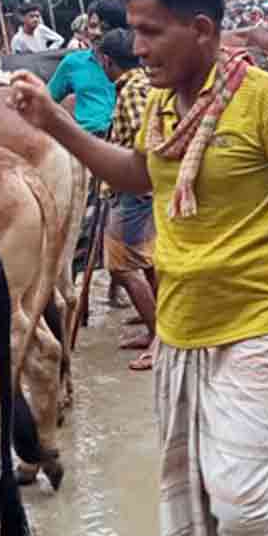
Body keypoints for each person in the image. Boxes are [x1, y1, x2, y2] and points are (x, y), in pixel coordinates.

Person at [6, 0, 268, 536]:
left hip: (258, 322)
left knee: (242, 505)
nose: (136, 48)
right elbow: (138, 173)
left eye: (149, 32)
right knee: (192, 500)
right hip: (180, 325)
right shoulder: (165, 103)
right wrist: (52, 122)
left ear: (201, 30)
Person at [96, 28, 159, 371]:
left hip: (135, 191)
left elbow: (142, 142)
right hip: (143, 190)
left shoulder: (133, 90)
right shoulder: (141, 83)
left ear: (107, 61)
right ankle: (156, 332)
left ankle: (158, 338)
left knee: (122, 265)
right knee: (148, 263)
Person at [46, 2, 118, 138]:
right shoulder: (72, 63)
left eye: (105, 28)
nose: (97, 33)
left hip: (125, 137)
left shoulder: (134, 62)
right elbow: (46, 100)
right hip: (89, 141)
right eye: (93, 26)